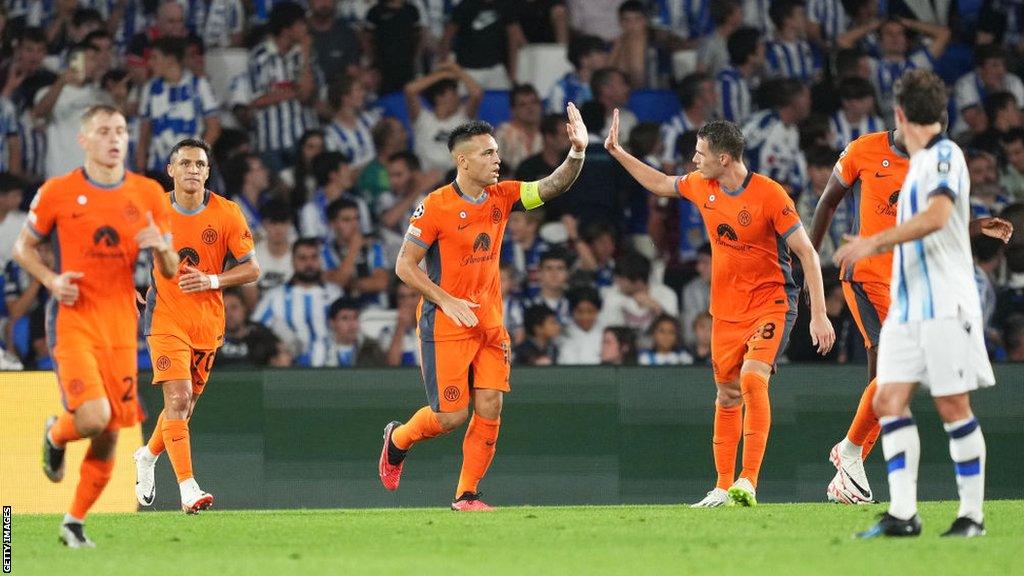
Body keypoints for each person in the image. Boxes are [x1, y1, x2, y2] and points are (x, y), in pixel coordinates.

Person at [605, 112, 836, 507]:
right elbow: (661, 184)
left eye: (700, 153)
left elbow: (807, 254)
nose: (694, 160)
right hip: (726, 311)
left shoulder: (770, 194)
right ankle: (722, 487)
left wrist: (818, 313)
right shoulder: (701, 186)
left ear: (724, 158)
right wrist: (617, 152)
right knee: (727, 395)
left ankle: (748, 482)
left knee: (751, 379)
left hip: (772, 303)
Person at [378, 105, 589, 511]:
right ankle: (398, 439)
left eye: (496, 152)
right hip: (445, 324)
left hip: (489, 322)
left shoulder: (504, 196)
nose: (498, 159)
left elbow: (552, 187)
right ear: (463, 160)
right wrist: (446, 299)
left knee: (491, 403)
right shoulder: (435, 206)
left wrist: (576, 153)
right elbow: (404, 264)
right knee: (450, 418)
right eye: (488, 153)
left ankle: (467, 495)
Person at [835, 70, 1009, 539]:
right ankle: (904, 513)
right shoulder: (922, 163)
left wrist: (873, 243)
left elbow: (937, 217)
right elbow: (944, 221)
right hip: (907, 305)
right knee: (889, 400)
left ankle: (971, 517)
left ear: (900, 114)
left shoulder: (945, 155)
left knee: (953, 405)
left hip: (945, 304)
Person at [11, 105, 176, 547]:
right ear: (84, 140)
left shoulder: (148, 194)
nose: (114, 138)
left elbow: (173, 267)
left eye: (121, 130)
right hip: (74, 316)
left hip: (121, 321)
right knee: (95, 415)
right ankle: (56, 432)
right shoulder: (57, 192)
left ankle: (73, 523)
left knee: (108, 435)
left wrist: (161, 248)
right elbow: (22, 247)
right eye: (104, 131)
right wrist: (50, 280)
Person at [134, 137, 260, 514]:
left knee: (183, 409)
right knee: (177, 398)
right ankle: (188, 489)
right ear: (171, 170)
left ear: (207, 172)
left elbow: (252, 268)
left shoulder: (226, 213)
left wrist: (212, 281)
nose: (192, 170)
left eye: (199, 165)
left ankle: (146, 456)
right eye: (185, 163)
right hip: (165, 316)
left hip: (207, 320)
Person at [136, 38, 221, 174]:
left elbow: (213, 128)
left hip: (191, 169)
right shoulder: (150, 88)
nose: (150, 63)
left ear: (170, 60)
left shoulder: (199, 85)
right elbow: (144, 133)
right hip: (158, 167)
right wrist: (140, 166)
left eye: (155, 58)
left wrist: (196, 159)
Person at [304, 296, 386, 367]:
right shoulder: (320, 349)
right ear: (332, 323)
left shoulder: (371, 348)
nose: (351, 324)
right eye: (345, 318)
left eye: (355, 318)